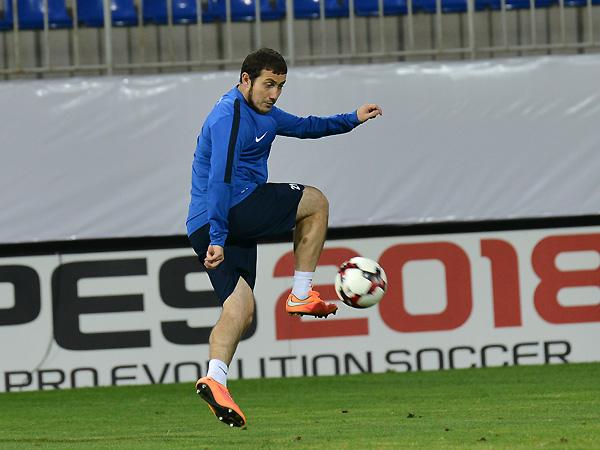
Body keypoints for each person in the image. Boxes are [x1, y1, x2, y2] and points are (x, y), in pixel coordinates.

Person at [187, 48, 383, 428]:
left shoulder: (266, 113)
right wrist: (219, 236)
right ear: (245, 80)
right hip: (226, 211)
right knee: (316, 202)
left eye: (280, 86)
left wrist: (352, 119)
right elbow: (220, 180)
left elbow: (307, 127)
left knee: (240, 310)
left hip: (204, 224)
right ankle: (301, 292)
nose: (274, 94)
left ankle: (215, 379)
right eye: (268, 84)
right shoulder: (229, 115)